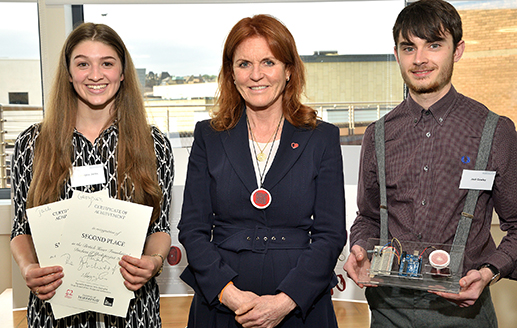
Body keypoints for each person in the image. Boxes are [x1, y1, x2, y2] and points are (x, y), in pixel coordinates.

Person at [344, 0, 517, 327]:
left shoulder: (495, 131)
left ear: (457, 50)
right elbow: (367, 217)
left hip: (466, 311)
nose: (420, 59)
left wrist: (489, 272)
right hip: (388, 310)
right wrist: (360, 249)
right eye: (409, 48)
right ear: (396, 54)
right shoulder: (378, 135)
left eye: (434, 45)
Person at [178, 14, 346, 328]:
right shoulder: (208, 136)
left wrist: (286, 300)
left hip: (299, 305)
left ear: (289, 70)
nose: (256, 75)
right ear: (231, 73)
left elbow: (330, 234)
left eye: (268, 62)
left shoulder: (321, 137)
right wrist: (230, 296)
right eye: (244, 64)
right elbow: (192, 229)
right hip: (223, 303)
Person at [10, 22, 174, 327]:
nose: (95, 74)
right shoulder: (32, 143)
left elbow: (159, 227)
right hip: (56, 312)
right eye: (83, 63)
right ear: (69, 73)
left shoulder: (153, 144)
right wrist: (27, 267)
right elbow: (22, 228)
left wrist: (153, 262)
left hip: (133, 313)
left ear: (123, 73)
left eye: (107, 63)